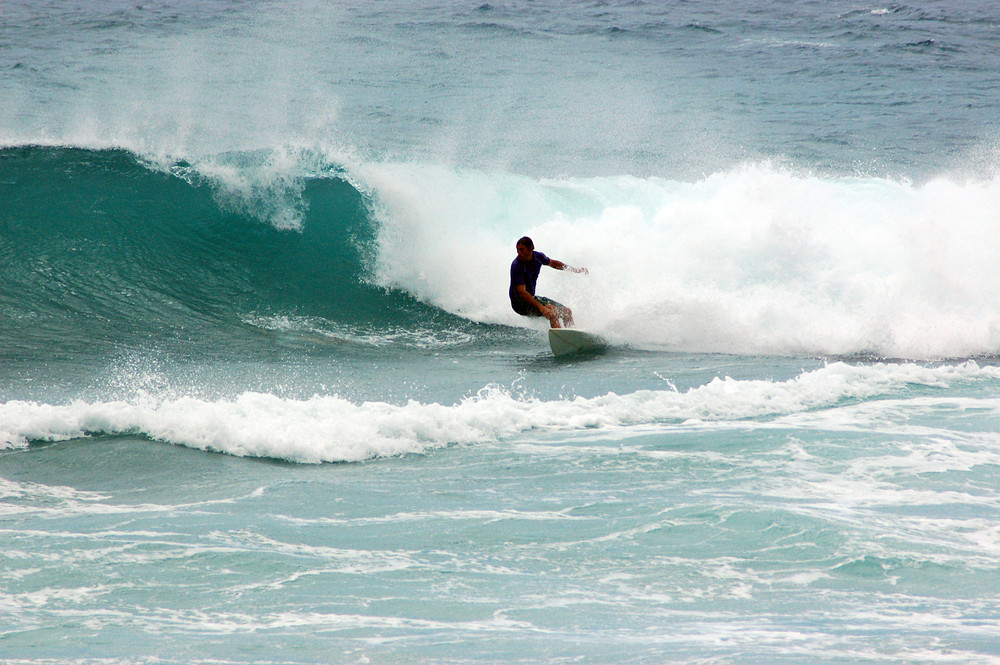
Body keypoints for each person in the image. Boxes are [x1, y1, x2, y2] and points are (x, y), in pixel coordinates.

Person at [509, 236, 587, 329]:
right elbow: (522, 292)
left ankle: (573, 337)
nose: (519, 253)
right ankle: (560, 341)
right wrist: (541, 307)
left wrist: (573, 269)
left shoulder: (538, 257)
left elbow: (554, 263)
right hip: (519, 303)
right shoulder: (516, 266)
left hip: (531, 298)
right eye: (517, 250)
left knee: (566, 312)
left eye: (522, 250)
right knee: (552, 312)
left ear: (531, 248)